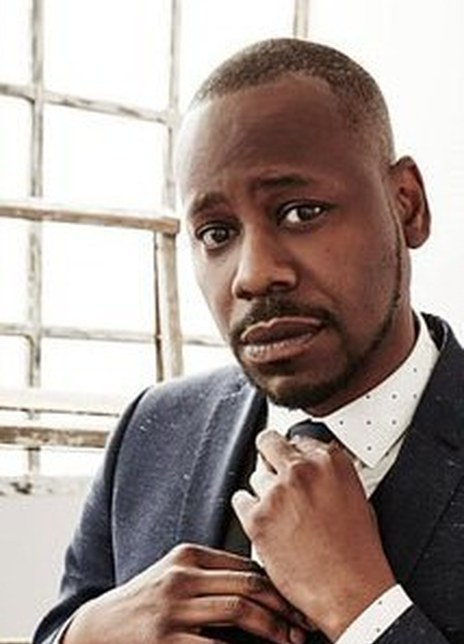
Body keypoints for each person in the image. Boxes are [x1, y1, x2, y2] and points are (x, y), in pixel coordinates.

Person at [33, 38, 464, 644]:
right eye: (216, 233)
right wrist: (85, 635)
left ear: (407, 206)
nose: (253, 275)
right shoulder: (152, 430)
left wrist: (362, 608)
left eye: (300, 212)